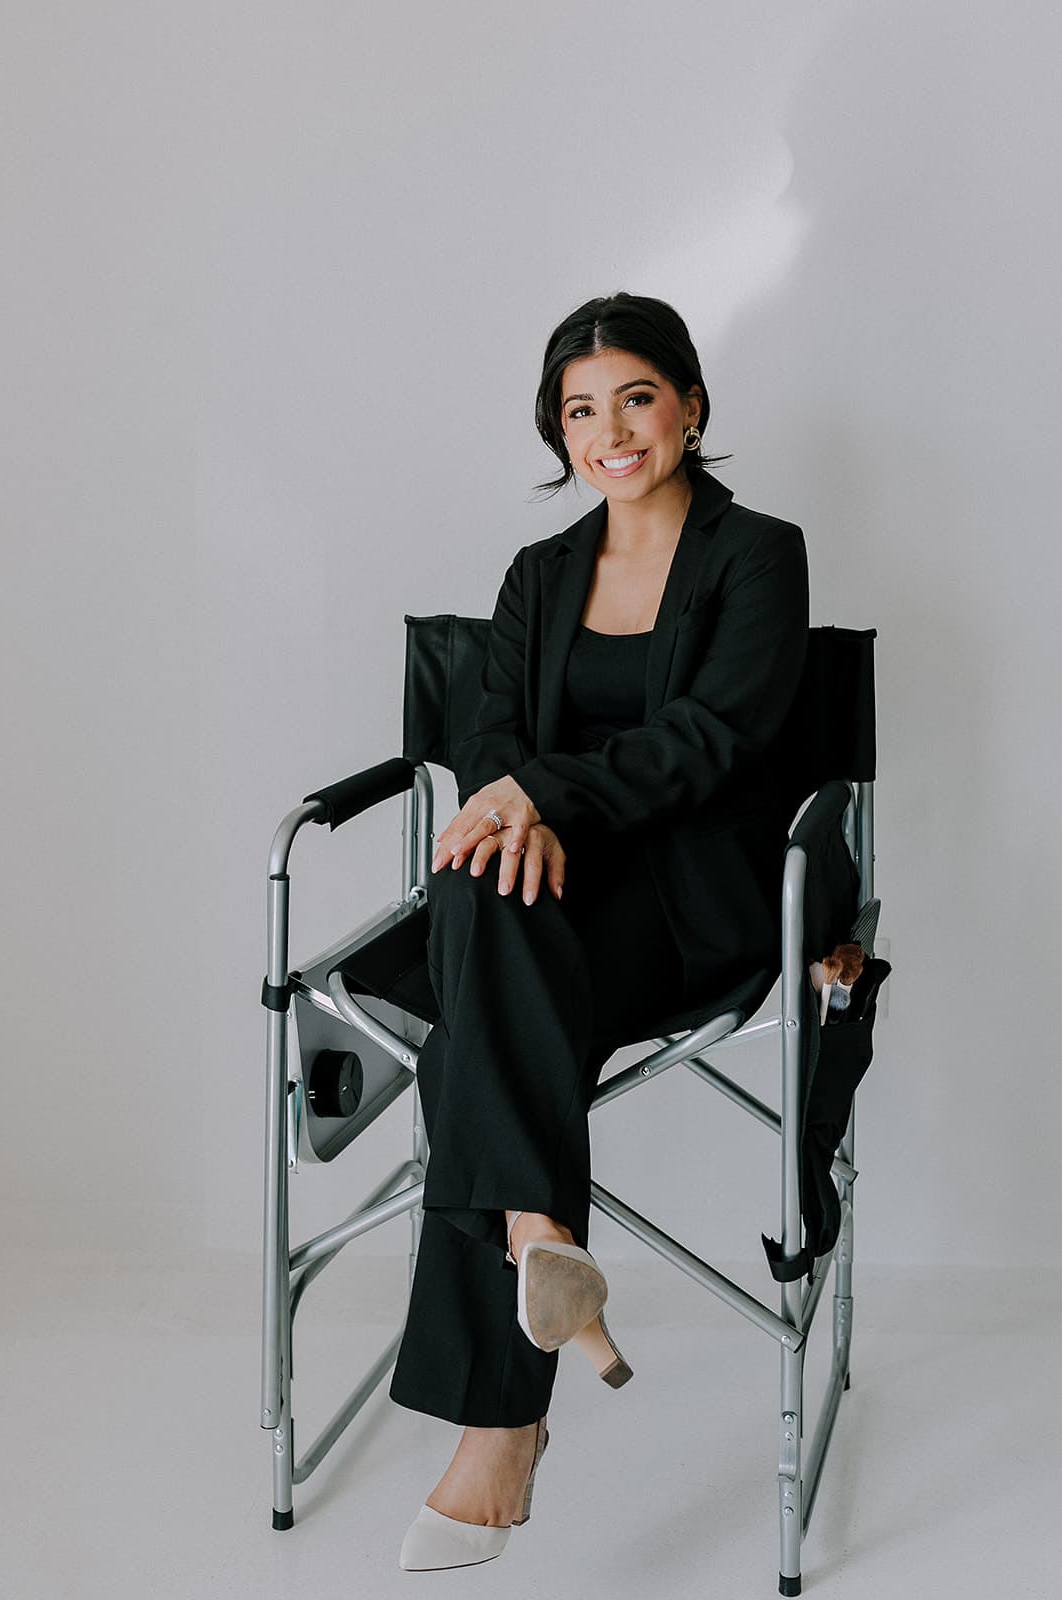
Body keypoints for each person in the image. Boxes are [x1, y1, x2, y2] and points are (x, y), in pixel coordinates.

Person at [390, 291, 809, 1570]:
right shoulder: (538, 573)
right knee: (481, 895)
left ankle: (501, 1413)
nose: (608, 430)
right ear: (557, 431)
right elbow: (489, 739)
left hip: (684, 905)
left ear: (687, 403)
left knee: (474, 997)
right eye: (579, 409)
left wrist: (541, 799)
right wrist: (515, 802)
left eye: (633, 396)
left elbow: (711, 740)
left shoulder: (759, 554)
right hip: (542, 890)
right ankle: (537, 1246)